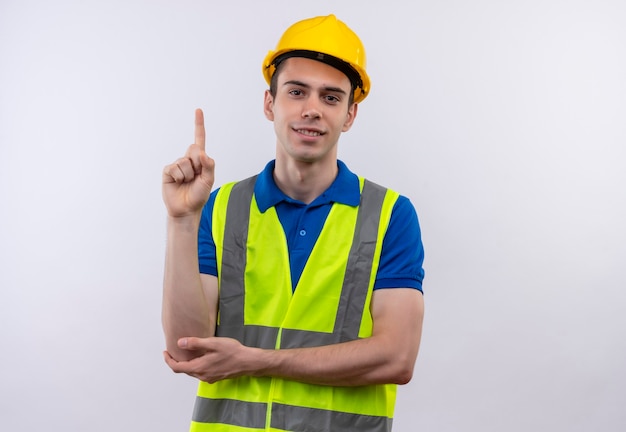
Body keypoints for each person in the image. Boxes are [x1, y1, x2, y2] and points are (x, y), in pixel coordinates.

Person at [161, 14, 425, 432]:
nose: (312, 110)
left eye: (331, 97)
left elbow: (397, 357)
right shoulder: (222, 207)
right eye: (297, 91)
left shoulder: (391, 216)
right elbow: (188, 351)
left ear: (351, 114)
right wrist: (181, 220)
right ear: (270, 103)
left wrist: (259, 361)